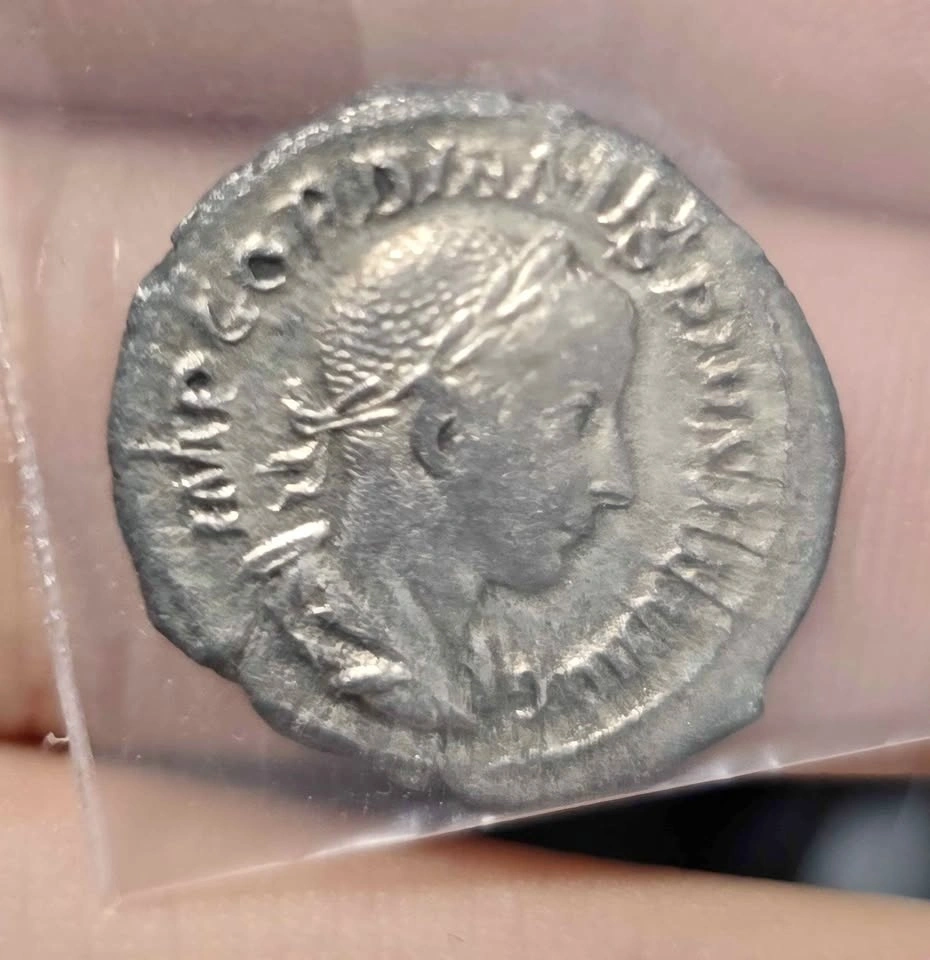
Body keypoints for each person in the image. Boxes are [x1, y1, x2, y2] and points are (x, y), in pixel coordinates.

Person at [2, 1, 930, 956]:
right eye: (579, 420)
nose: (617, 478)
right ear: (444, 435)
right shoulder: (334, 639)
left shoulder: (469, 656)